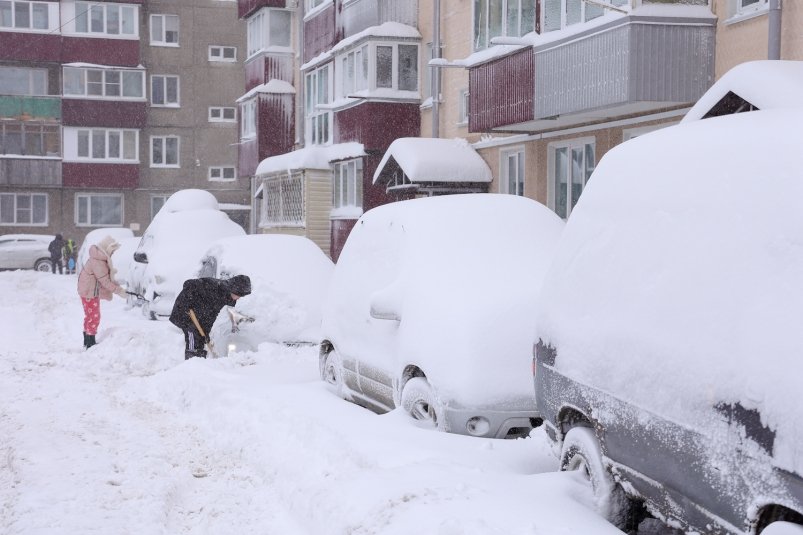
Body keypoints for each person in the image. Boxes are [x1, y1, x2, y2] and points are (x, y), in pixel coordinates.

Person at [169, 275, 251, 360]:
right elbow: (188, 283)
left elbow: (211, 315)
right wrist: (186, 302)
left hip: (198, 314)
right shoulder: (214, 286)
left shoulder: (226, 297)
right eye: (238, 295)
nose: (238, 298)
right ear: (233, 289)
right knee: (192, 335)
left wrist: (206, 332)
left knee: (201, 338)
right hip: (184, 311)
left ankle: (201, 362)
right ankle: (191, 361)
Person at [76, 236, 127, 349]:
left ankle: (87, 341)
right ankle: (90, 342)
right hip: (89, 291)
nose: (113, 253)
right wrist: (119, 291)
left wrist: (117, 287)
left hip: (86, 290)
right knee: (94, 316)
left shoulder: (98, 259)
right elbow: (104, 281)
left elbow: (105, 278)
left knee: (89, 316)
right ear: (107, 249)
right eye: (112, 251)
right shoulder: (98, 262)